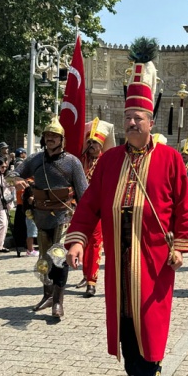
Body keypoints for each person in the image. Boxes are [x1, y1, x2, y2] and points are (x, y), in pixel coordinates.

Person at [64, 53, 188, 376]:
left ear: (151, 122)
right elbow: (88, 206)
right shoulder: (108, 162)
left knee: (148, 329)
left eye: (138, 118)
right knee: (125, 326)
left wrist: (181, 248)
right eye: (127, 118)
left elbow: (185, 208)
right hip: (119, 263)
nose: (131, 123)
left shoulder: (170, 160)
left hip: (154, 262)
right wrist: (77, 240)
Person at [9, 116, 88, 319]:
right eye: (47, 135)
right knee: (44, 261)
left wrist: (84, 219)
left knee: (59, 259)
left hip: (64, 217)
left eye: (54, 135)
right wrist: (17, 180)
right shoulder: (36, 159)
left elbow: (83, 193)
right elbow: (13, 174)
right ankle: (47, 296)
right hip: (41, 216)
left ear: (62, 139)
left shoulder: (72, 162)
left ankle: (59, 302)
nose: (50, 138)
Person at [78, 117, 115, 297]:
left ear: (102, 144)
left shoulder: (107, 161)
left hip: (99, 209)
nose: (92, 145)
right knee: (81, 242)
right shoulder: (80, 160)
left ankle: (92, 280)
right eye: (90, 141)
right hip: (79, 208)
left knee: (94, 243)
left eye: (95, 142)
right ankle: (86, 274)